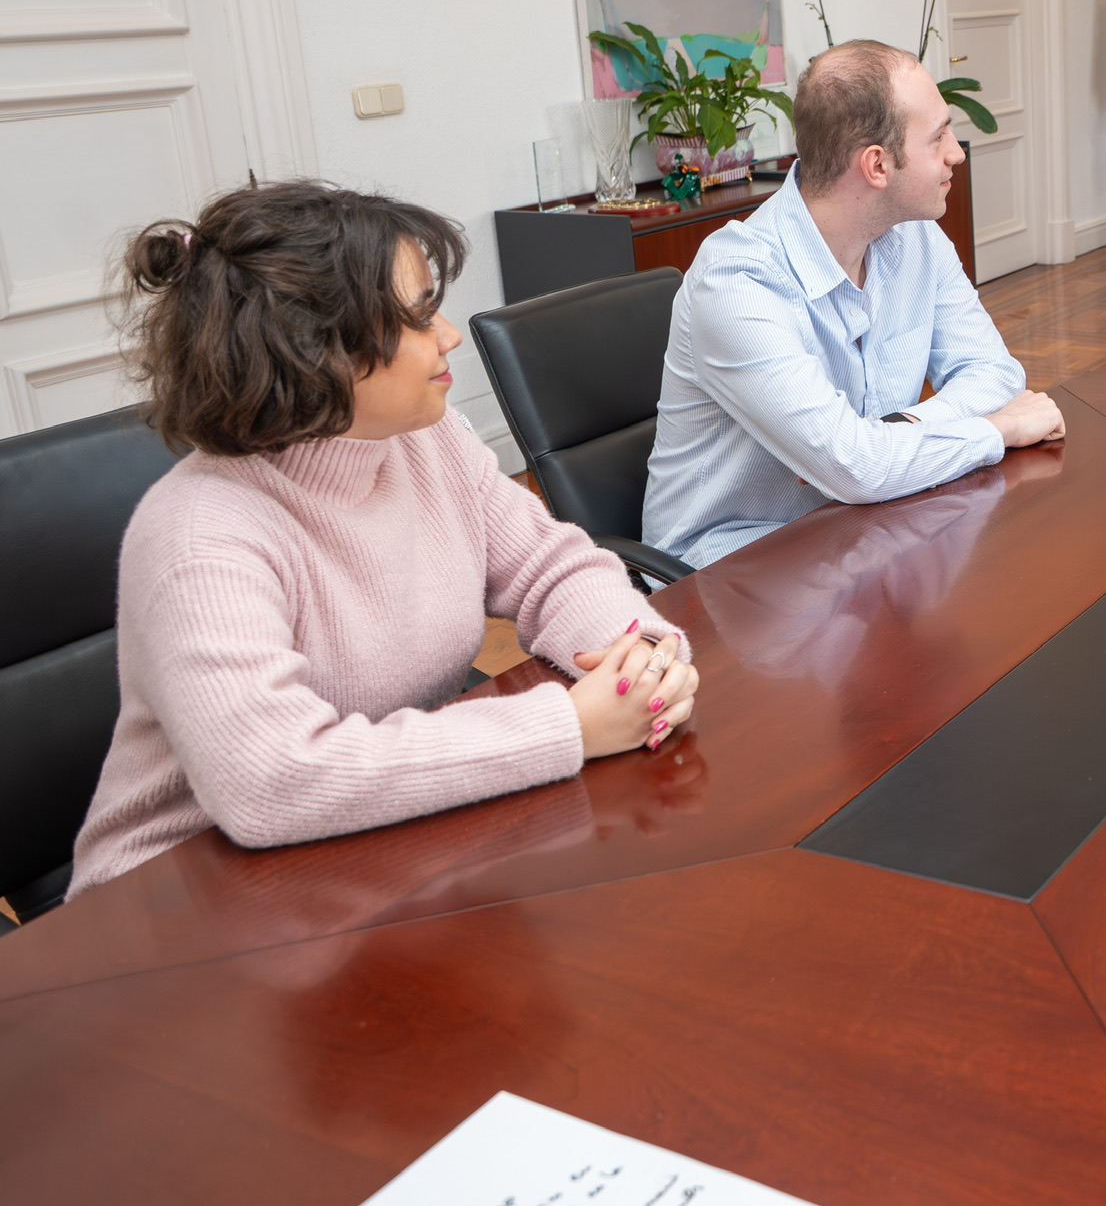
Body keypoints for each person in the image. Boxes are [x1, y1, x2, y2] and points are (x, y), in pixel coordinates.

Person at [69, 182, 698, 898]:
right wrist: (565, 728)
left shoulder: (427, 442)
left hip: (366, 857)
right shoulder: (200, 534)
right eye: (420, 314)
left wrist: (639, 660)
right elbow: (271, 782)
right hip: (179, 909)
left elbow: (553, 566)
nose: (450, 334)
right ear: (314, 350)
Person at [644, 39, 1062, 569]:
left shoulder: (915, 237)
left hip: (863, 529)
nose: (956, 153)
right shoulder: (737, 281)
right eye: (938, 138)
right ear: (877, 165)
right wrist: (996, 429)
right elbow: (856, 469)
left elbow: (993, 373)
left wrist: (895, 433)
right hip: (731, 567)